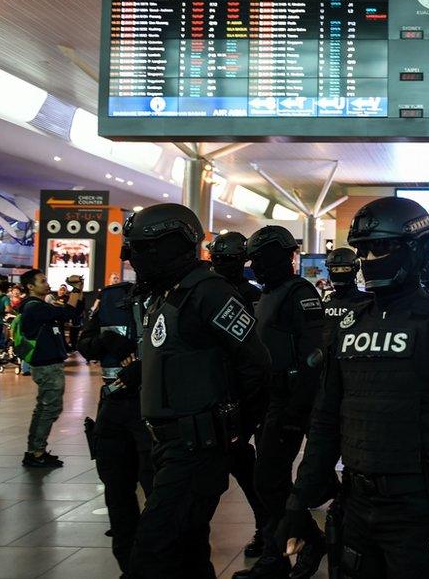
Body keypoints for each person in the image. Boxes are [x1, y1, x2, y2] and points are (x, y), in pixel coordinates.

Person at [277, 196, 429, 579]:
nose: (368, 258)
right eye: (363, 249)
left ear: (415, 250)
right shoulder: (351, 325)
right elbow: (326, 421)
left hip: (419, 509)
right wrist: (298, 505)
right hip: (356, 502)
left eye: (381, 247)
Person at [124, 204, 269, 579]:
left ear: (174, 246)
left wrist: (235, 432)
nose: (136, 256)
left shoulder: (208, 292)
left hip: (197, 448)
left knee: (153, 554)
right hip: (170, 445)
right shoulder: (166, 293)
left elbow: (255, 365)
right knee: (188, 552)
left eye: (145, 247)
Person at [234, 226, 327, 579]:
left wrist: (295, 410)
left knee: (269, 479)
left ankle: (291, 549)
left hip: (288, 401)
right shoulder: (269, 294)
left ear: (285, 257)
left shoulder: (299, 293)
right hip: (269, 398)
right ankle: (291, 545)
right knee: (268, 480)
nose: (257, 265)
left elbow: (313, 356)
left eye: (263, 258)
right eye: (254, 259)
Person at [76, 279, 154, 576]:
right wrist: (105, 341)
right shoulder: (110, 298)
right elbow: (85, 344)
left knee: (157, 491)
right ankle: (129, 565)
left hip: (153, 409)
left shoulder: (173, 295)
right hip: (113, 408)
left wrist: (145, 366)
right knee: (117, 492)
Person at [208, 230, 270, 560]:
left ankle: (270, 527)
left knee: (247, 467)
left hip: (242, 394)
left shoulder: (250, 295)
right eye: (219, 259)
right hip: (214, 393)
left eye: (229, 260)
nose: (223, 265)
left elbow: (254, 353)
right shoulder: (207, 292)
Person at [18, 269, 83, 467]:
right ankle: (36, 452)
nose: (47, 284)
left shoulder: (39, 306)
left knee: (43, 407)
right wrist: (76, 288)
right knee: (50, 408)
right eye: (42, 281)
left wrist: (76, 291)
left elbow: (73, 313)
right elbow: (70, 311)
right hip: (46, 365)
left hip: (47, 363)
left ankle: (35, 450)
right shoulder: (34, 307)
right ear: (30, 286)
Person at [321, 247, 372, 345]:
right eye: (335, 269)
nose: (340, 272)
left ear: (355, 269)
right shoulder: (326, 302)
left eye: (345, 269)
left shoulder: (367, 301)